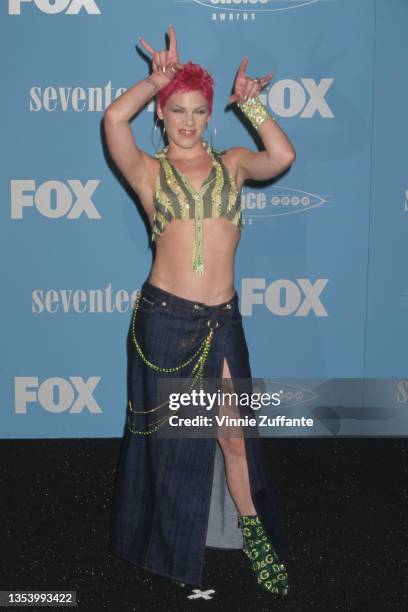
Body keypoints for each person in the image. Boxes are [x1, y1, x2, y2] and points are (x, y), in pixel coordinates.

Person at [104, 25, 296, 596]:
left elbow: (282, 156)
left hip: (222, 320)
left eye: (198, 110)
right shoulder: (147, 171)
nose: (187, 120)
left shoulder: (233, 163)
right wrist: (153, 81)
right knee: (170, 445)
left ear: (211, 115)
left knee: (233, 437)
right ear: (161, 116)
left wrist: (254, 106)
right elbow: (114, 121)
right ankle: (168, 550)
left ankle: (257, 541)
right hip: (164, 322)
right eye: (177, 110)